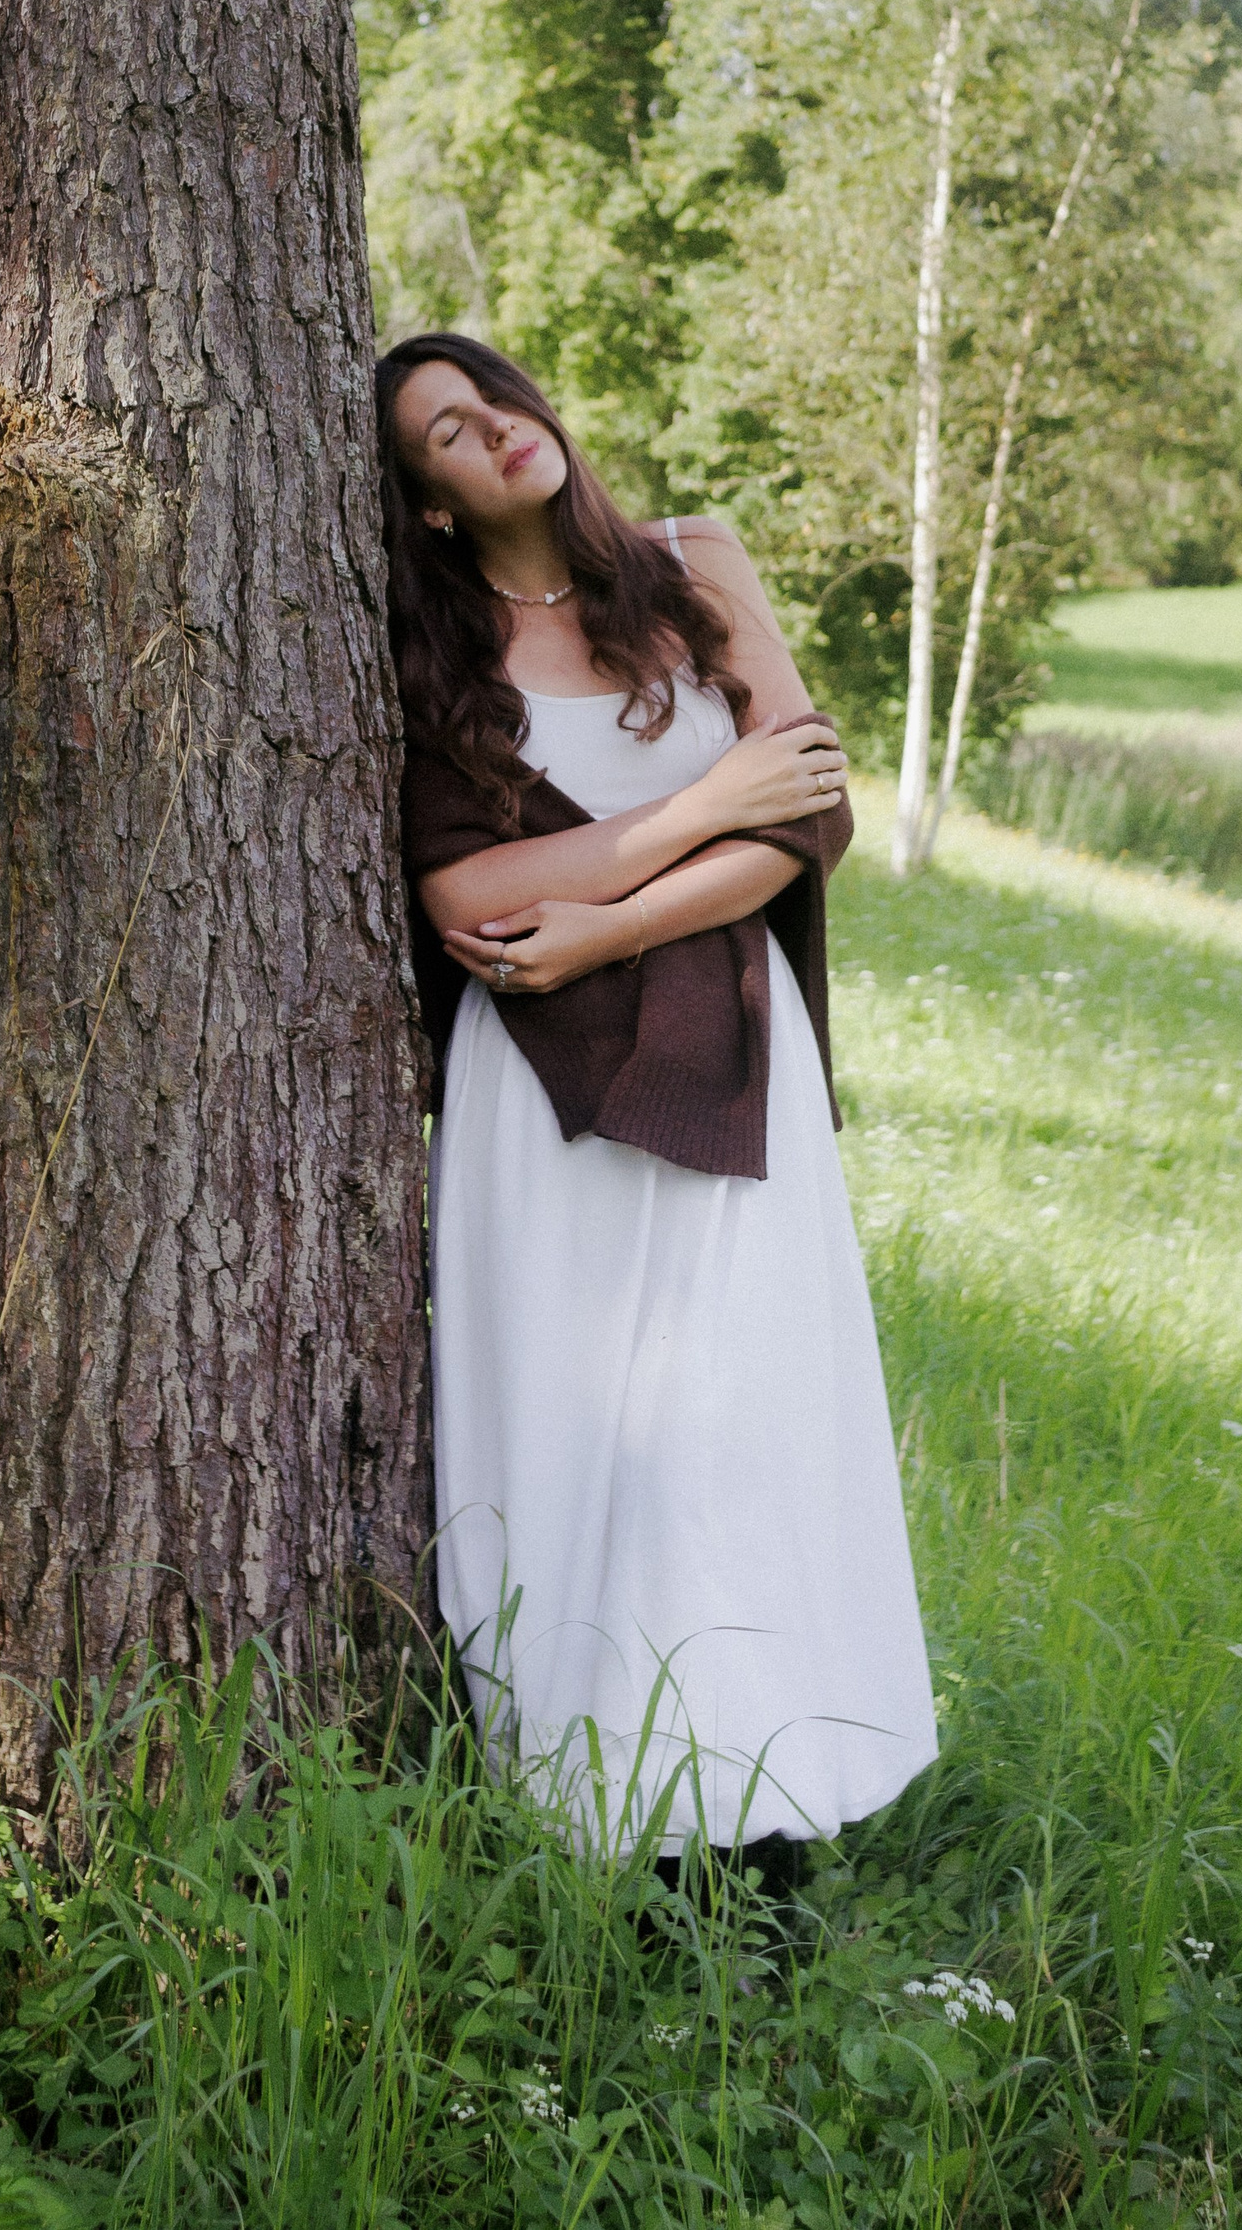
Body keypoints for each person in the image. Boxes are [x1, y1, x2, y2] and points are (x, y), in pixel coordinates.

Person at [378, 332, 937, 1869]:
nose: (487, 428)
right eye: (440, 434)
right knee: (575, 1440)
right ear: (426, 500)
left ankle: (768, 1825)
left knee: (734, 1432)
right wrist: (699, 805)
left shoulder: (694, 565)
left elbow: (806, 806)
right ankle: (595, 1817)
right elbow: (467, 886)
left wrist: (612, 915)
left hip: (727, 1053)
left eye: (489, 395)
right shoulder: (437, 643)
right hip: (540, 1100)